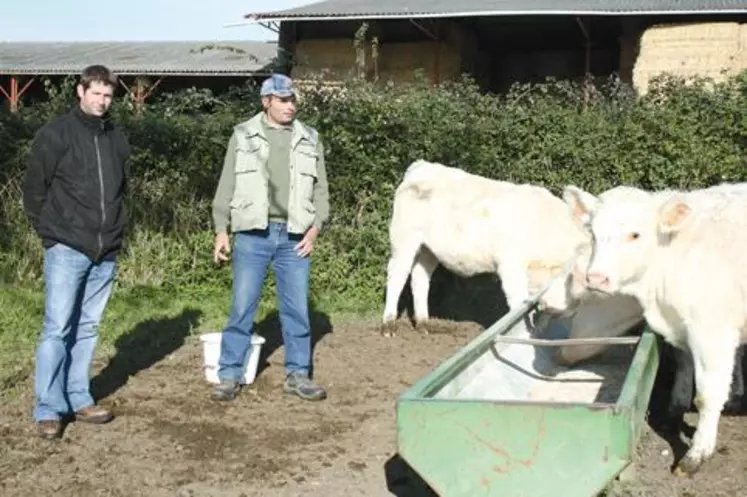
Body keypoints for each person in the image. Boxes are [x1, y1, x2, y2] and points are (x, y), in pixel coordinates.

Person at [22, 65, 131, 439]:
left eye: (108, 95)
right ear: (80, 92)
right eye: (96, 93)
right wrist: (50, 234)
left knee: (87, 327)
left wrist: (117, 230)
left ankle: (78, 396)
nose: (101, 101)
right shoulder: (55, 134)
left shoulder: (116, 137)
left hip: (107, 249)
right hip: (67, 247)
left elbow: (121, 189)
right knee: (56, 328)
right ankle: (48, 408)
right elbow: (34, 189)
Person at [211, 73, 330, 402]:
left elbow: (321, 190)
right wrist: (221, 229)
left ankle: (298, 374)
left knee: (296, 310)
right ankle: (230, 374)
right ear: (266, 102)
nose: (290, 106)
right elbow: (226, 186)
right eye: (283, 100)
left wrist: (316, 228)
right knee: (242, 306)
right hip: (252, 235)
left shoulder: (309, 138)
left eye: (292, 99)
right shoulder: (243, 135)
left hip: (295, 238)